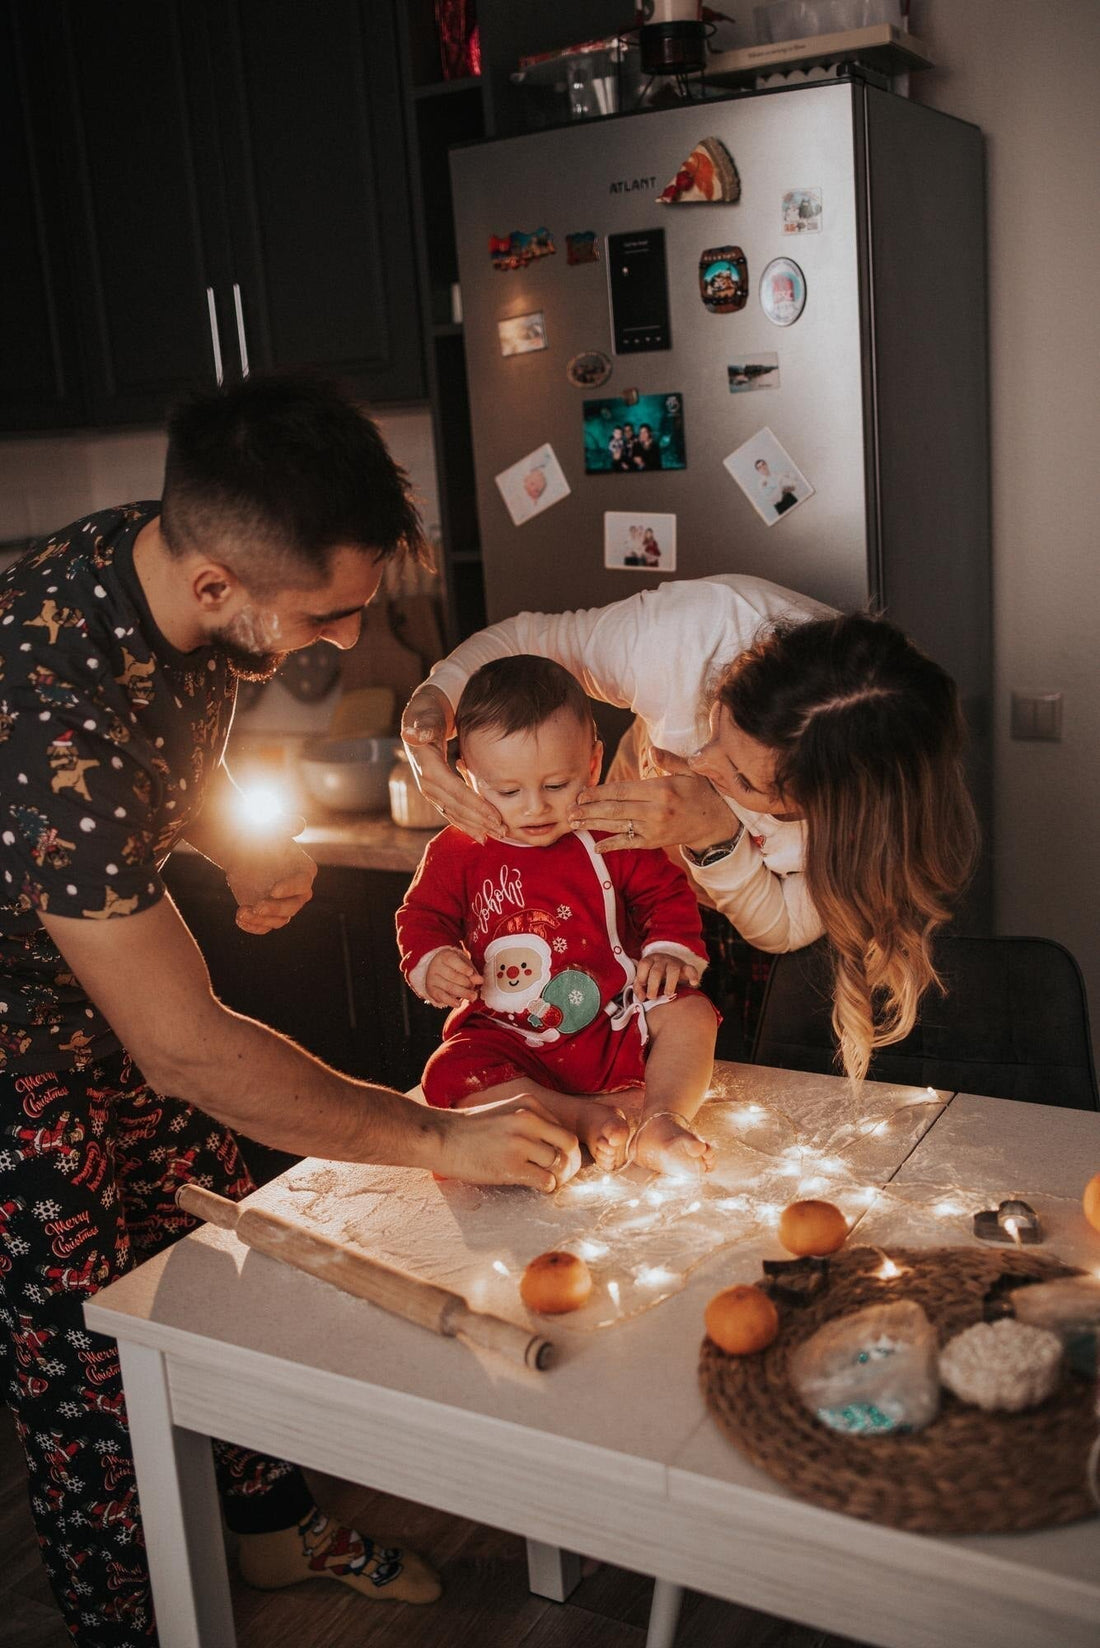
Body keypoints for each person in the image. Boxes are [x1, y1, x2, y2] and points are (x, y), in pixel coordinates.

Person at [0, 372, 579, 1648]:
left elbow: (163, 760)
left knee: (220, 1261)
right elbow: (188, 1048)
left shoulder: (152, 570)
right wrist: (436, 1137)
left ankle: (266, 1527)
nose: (337, 641)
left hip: (87, 960)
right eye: (325, 614)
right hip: (14, 1042)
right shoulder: (44, 705)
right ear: (219, 584)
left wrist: (217, 841)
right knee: (94, 1354)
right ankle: (127, 1615)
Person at [400, 575, 980, 1089]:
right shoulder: (690, 636)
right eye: (717, 730)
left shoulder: (874, 839)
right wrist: (433, 707)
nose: (698, 764)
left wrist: (714, 833)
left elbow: (779, 927)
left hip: (682, 931)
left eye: (745, 783)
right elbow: (525, 644)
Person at [396, 658, 719, 1177]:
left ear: (592, 765)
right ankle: (579, 1116)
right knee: (447, 1073)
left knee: (691, 1013)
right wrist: (432, 961)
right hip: (512, 1037)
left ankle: (663, 1119)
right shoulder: (457, 850)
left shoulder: (611, 830)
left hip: (617, 1014)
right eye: (507, 792)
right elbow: (422, 915)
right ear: (466, 778)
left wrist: (667, 948)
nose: (534, 808)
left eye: (556, 785)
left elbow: (666, 891)